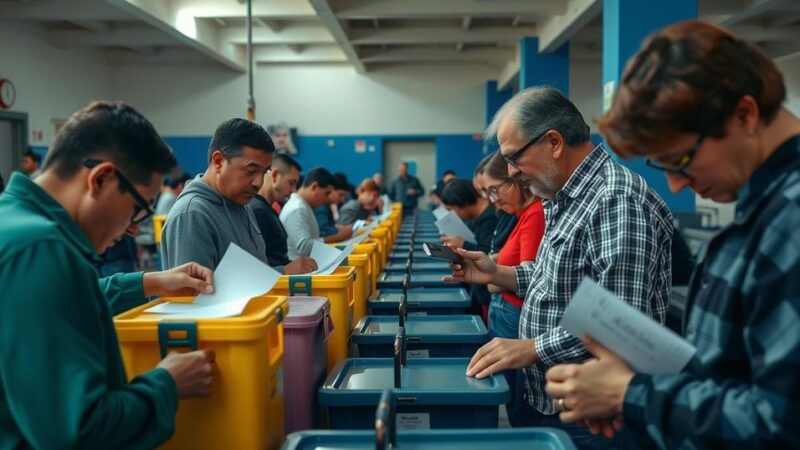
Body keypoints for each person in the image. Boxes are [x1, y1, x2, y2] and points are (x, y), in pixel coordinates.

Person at [543, 21, 800, 449]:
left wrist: (631, 395)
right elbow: (734, 373)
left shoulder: (791, 217)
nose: (678, 186)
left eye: (680, 159)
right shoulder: (764, 208)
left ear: (745, 115)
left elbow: (783, 422)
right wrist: (630, 393)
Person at [446, 86, 673, 449]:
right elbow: (561, 282)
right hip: (554, 397)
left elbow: (621, 324)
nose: (511, 172)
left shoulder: (615, 201)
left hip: (595, 415)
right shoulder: (564, 196)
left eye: (514, 157)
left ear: (553, 142)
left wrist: (532, 347)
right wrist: (497, 273)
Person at [0, 101, 216, 448]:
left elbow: (62, 308)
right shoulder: (40, 249)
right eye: (137, 208)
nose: (132, 229)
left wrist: (151, 282)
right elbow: (78, 433)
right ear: (101, 179)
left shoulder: (14, 225)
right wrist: (167, 382)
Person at [482, 150, 546, 425]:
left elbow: (531, 276)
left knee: (520, 407)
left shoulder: (535, 213)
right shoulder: (522, 215)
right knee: (513, 399)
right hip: (506, 313)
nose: (494, 202)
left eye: (495, 190)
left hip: (515, 314)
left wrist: (494, 276)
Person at [161, 118, 274, 270]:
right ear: (219, 161)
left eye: (265, 172)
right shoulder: (193, 215)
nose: (258, 183)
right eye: (251, 170)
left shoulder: (242, 205)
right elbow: (195, 292)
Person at [439, 178, 498, 321]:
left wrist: (463, 244)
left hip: (488, 293)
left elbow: (488, 255)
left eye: (452, 209)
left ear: (462, 203)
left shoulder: (490, 218)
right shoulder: (481, 217)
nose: (453, 215)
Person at [251, 153, 317, 273]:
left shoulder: (267, 209)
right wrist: (286, 269)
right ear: (275, 176)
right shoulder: (257, 211)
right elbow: (256, 268)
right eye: (291, 183)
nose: (293, 190)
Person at [281, 167, 337, 259]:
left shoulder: (303, 205)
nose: (327, 198)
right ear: (314, 187)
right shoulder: (298, 208)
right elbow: (304, 247)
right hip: (298, 270)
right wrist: (337, 237)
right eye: (326, 193)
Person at [314, 173, 353, 242]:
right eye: (340, 195)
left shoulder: (327, 206)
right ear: (331, 190)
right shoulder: (320, 207)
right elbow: (323, 231)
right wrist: (341, 232)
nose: (342, 199)